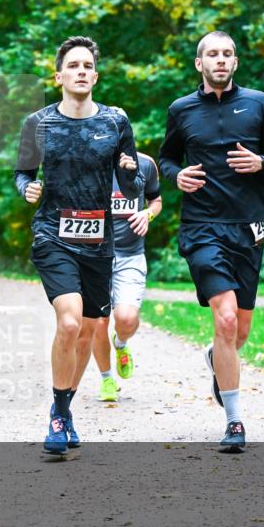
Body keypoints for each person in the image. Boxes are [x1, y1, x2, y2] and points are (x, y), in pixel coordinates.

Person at [158, 30, 264, 452]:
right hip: (201, 226)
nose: (220, 60)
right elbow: (165, 159)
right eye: (212, 54)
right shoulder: (181, 110)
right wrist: (176, 176)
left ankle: (218, 360)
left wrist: (261, 162)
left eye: (227, 54)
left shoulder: (259, 103)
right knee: (226, 319)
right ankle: (234, 422)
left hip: (248, 227)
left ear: (235, 62)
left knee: (240, 330)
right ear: (199, 63)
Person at [14, 35, 142, 455]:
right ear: (59, 76)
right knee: (69, 323)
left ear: (96, 75)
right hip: (52, 234)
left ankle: (63, 409)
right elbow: (21, 173)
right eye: (73, 65)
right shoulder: (39, 123)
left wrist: (128, 172)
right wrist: (26, 189)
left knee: (88, 332)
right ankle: (56, 415)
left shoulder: (116, 121)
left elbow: (131, 183)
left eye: (87, 65)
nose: (81, 71)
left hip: (99, 240)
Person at [92, 151, 162, 402]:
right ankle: (107, 379)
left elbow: (156, 200)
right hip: (95, 256)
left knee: (127, 318)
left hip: (130, 255)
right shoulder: (89, 162)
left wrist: (147, 214)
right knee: (98, 321)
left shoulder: (145, 164)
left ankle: (120, 343)